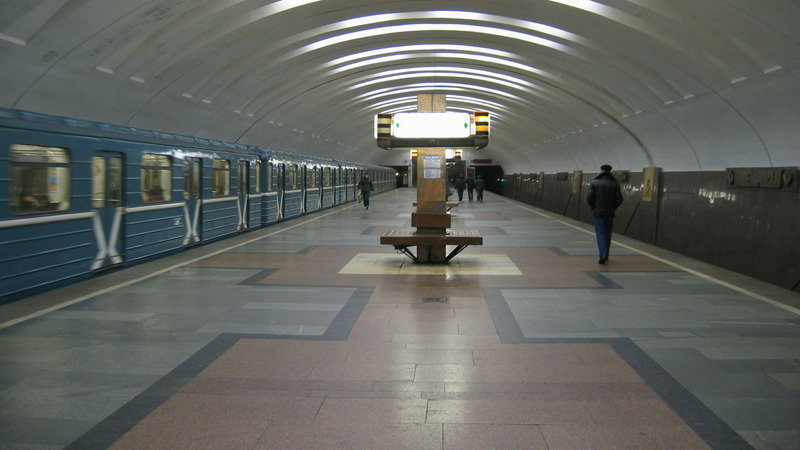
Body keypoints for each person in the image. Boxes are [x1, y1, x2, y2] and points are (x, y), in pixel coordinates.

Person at [586, 164, 623, 264]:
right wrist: (613, 207)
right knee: (607, 233)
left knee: (600, 233)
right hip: (610, 213)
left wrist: (594, 207)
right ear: (610, 171)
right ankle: (606, 254)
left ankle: (603, 254)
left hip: (598, 213)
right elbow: (619, 199)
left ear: (601, 171)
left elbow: (589, 198)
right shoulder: (615, 183)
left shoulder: (594, 183)